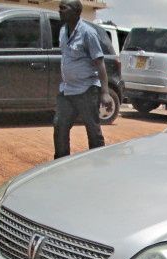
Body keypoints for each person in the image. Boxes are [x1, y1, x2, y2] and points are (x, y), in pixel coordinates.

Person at [54, 0, 112, 159]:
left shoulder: (88, 33)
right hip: (67, 90)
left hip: (86, 90)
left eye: (63, 8)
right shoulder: (62, 31)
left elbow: (100, 63)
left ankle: (98, 164)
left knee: (93, 130)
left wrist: (105, 92)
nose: (59, 11)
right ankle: (60, 164)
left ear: (76, 12)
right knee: (60, 127)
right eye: (59, 8)